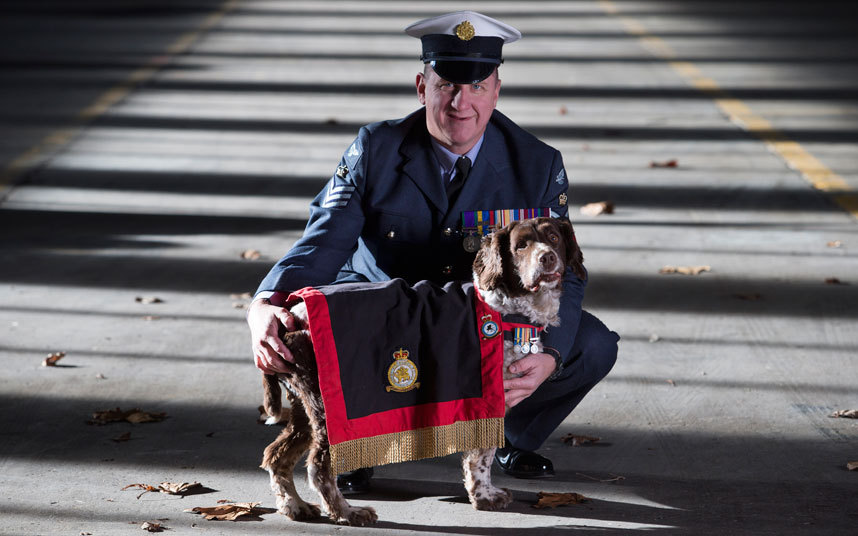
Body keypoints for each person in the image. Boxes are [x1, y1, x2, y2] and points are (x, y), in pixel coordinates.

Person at [248, 11, 619, 494]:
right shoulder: (376, 148)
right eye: (447, 86)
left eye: (477, 86)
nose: (461, 103)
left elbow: (567, 273)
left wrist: (549, 354)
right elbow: (324, 239)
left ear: (496, 91)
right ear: (422, 88)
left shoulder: (537, 164)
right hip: (387, 308)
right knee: (328, 325)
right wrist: (265, 303)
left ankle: (507, 433)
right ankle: (357, 441)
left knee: (590, 344)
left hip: (476, 320)